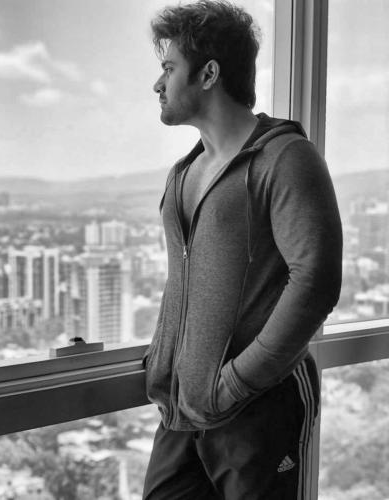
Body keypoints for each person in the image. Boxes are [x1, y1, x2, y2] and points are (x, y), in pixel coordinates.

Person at [142, 1, 342, 499]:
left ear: (209, 74)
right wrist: (162, 365)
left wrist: (234, 383)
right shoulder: (183, 173)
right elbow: (185, 281)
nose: (158, 84)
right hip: (181, 412)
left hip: (258, 412)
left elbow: (315, 282)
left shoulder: (286, 158)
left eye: (169, 68)